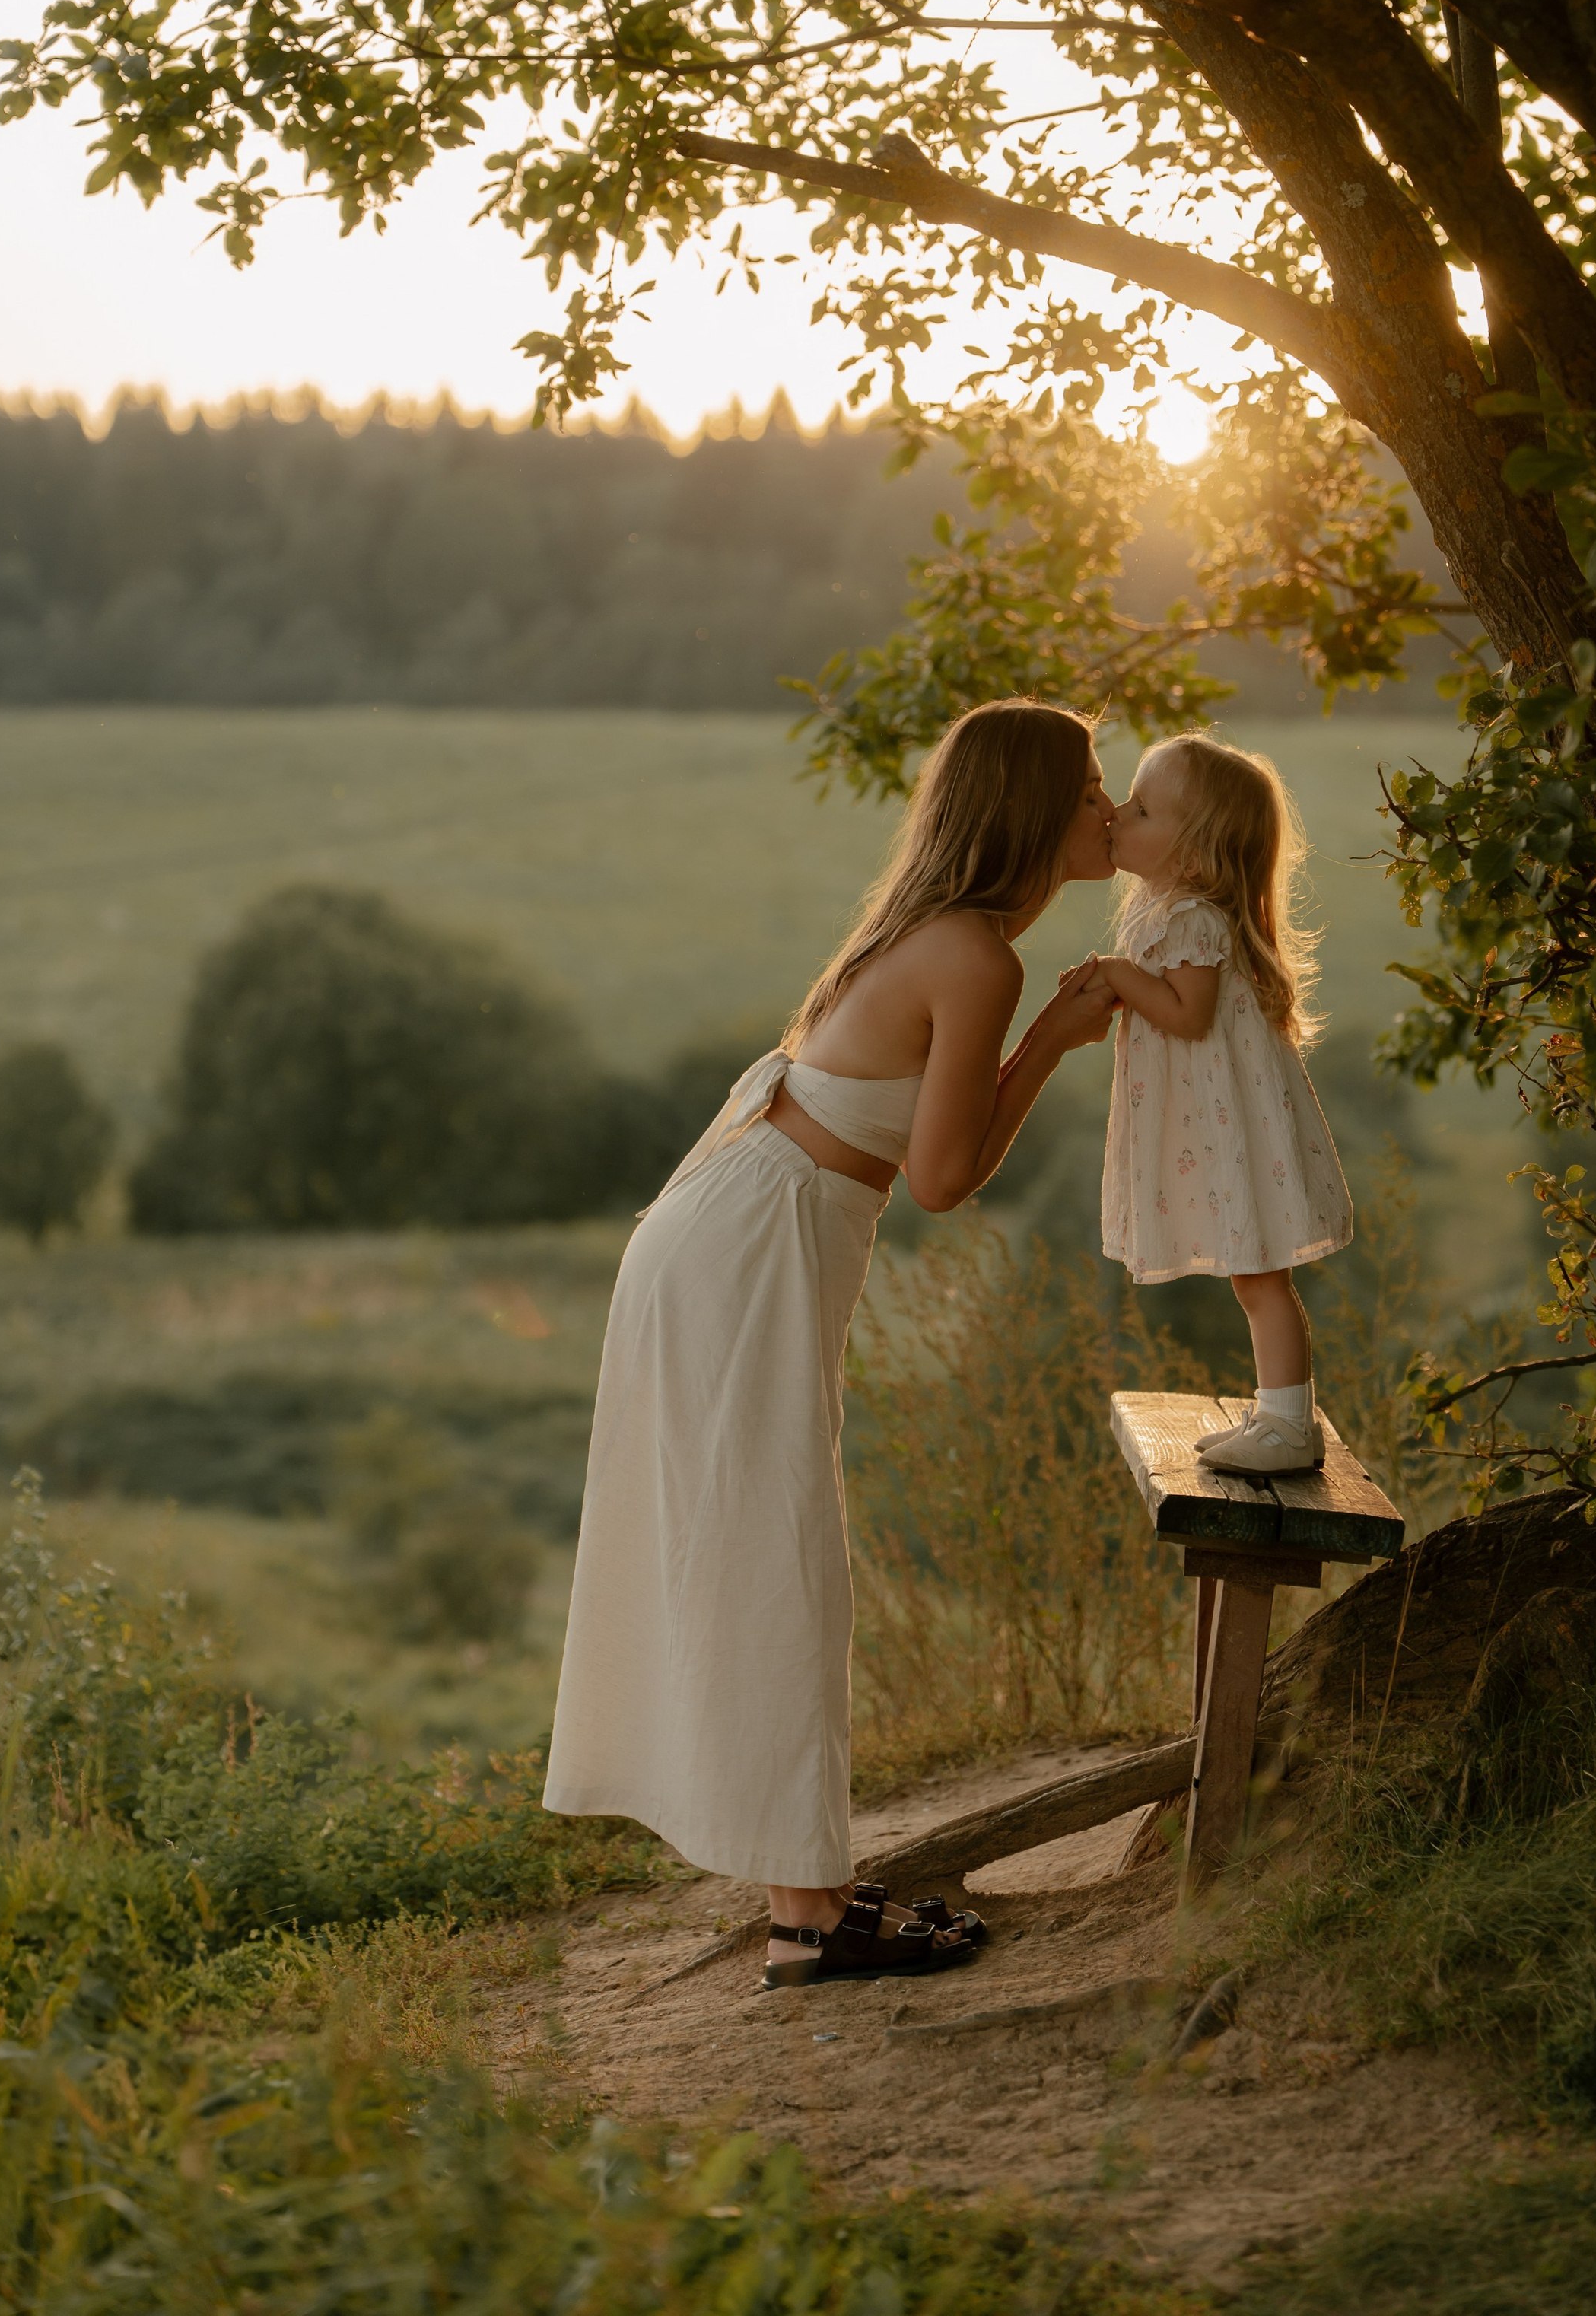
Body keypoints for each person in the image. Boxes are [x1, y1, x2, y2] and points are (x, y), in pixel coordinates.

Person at [544, 699, 1119, 1988]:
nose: (1107, 808)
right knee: (778, 1543)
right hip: (750, 1247)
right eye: (1091, 787)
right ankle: (810, 1917)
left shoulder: (931, 932)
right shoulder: (978, 957)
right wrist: (1054, 1046)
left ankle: (810, 1895)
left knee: (768, 1537)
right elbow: (945, 1176)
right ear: (1033, 809)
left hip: (734, 1229)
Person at [1095, 732, 1352, 1475]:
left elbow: (1186, 1014)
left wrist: (1115, 974)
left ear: (1193, 858)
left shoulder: (1191, 920)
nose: (1116, 812)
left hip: (1228, 1126)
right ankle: (1277, 1413)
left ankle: (1287, 1424)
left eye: (1140, 809)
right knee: (1255, 1275)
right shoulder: (1162, 904)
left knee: (1260, 1274)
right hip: (1215, 1121)